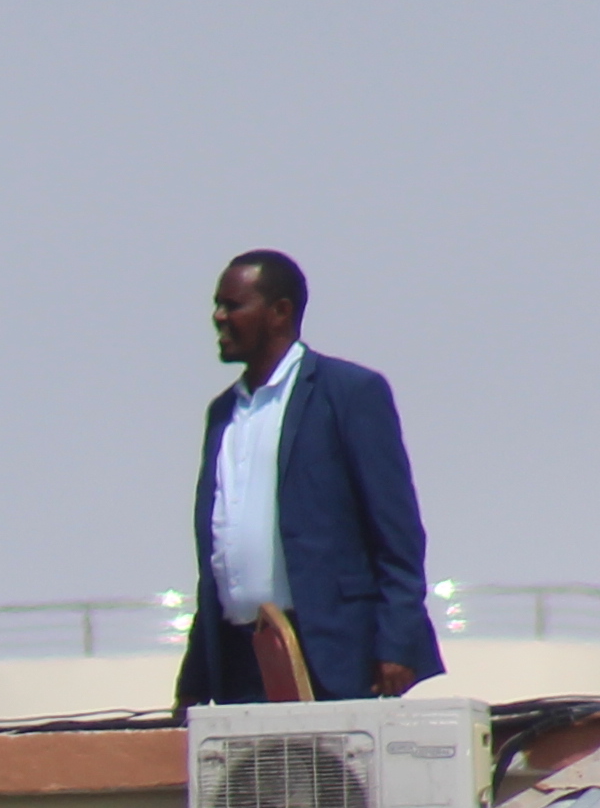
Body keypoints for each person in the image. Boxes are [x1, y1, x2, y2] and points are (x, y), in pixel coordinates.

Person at [175, 250, 445, 707]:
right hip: (241, 661)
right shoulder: (223, 413)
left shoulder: (348, 394)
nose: (219, 318)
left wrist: (395, 641)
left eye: (233, 305)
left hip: (332, 656)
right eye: (217, 306)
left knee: (333, 780)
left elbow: (396, 531)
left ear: (279, 311)